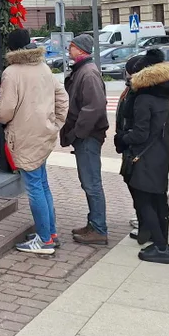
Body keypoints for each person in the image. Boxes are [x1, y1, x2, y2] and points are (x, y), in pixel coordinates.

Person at [0, 28, 70, 256]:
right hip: (43, 134)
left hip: (25, 135)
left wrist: (0, 117)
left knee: (35, 187)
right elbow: (62, 98)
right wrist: (55, 123)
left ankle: (45, 240)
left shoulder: (12, 72)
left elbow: (5, 110)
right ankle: (50, 233)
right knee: (43, 184)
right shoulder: (44, 67)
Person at [115, 49, 169, 263]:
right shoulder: (163, 95)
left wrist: (122, 138)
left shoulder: (144, 99)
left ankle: (161, 247)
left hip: (144, 157)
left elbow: (140, 133)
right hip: (160, 154)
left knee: (143, 202)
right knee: (159, 200)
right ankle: (161, 241)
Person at [60, 35, 109, 246]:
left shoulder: (88, 74)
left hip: (87, 137)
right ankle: (94, 223)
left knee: (92, 184)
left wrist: (78, 132)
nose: (69, 50)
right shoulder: (84, 71)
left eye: (71, 47)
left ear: (80, 50)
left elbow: (94, 107)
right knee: (88, 182)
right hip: (85, 136)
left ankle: (99, 228)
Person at [114, 63, 147, 245]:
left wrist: (125, 138)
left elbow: (139, 125)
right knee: (132, 182)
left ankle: (146, 223)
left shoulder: (140, 92)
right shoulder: (130, 89)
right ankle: (141, 217)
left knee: (139, 186)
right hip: (128, 144)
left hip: (136, 147)